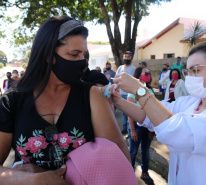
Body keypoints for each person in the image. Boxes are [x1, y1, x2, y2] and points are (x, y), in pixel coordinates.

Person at [0, 15, 130, 184]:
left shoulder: (92, 96)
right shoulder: (12, 101)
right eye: (74, 54)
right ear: (48, 55)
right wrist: (34, 180)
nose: (82, 62)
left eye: (83, 55)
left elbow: (120, 162)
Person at [110, 32, 206, 185]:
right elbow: (149, 114)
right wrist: (117, 101)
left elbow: (178, 132)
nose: (189, 77)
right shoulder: (189, 103)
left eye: (196, 70)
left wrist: (139, 90)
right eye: (188, 71)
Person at [127, 67, 155, 185]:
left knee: (145, 151)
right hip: (136, 128)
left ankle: (144, 172)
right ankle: (128, 174)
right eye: (145, 72)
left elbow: (153, 111)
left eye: (149, 72)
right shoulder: (133, 91)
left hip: (147, 127)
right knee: (133, 151)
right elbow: (129, 111)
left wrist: (153, 129)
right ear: (138, 75)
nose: (148, 74)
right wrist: (132, 130)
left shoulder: (150, 90)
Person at [116, 51, 135, 134]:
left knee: (129, 113)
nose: (126, 58)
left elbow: (131, 81)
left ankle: (130, 129)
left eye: (128, 56)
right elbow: (116, 78)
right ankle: (125, 128)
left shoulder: (132, 69)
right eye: (125, 56)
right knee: (123, 112)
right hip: (121, 93)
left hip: (129, 94)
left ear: (131, 58)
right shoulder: (120, 67)